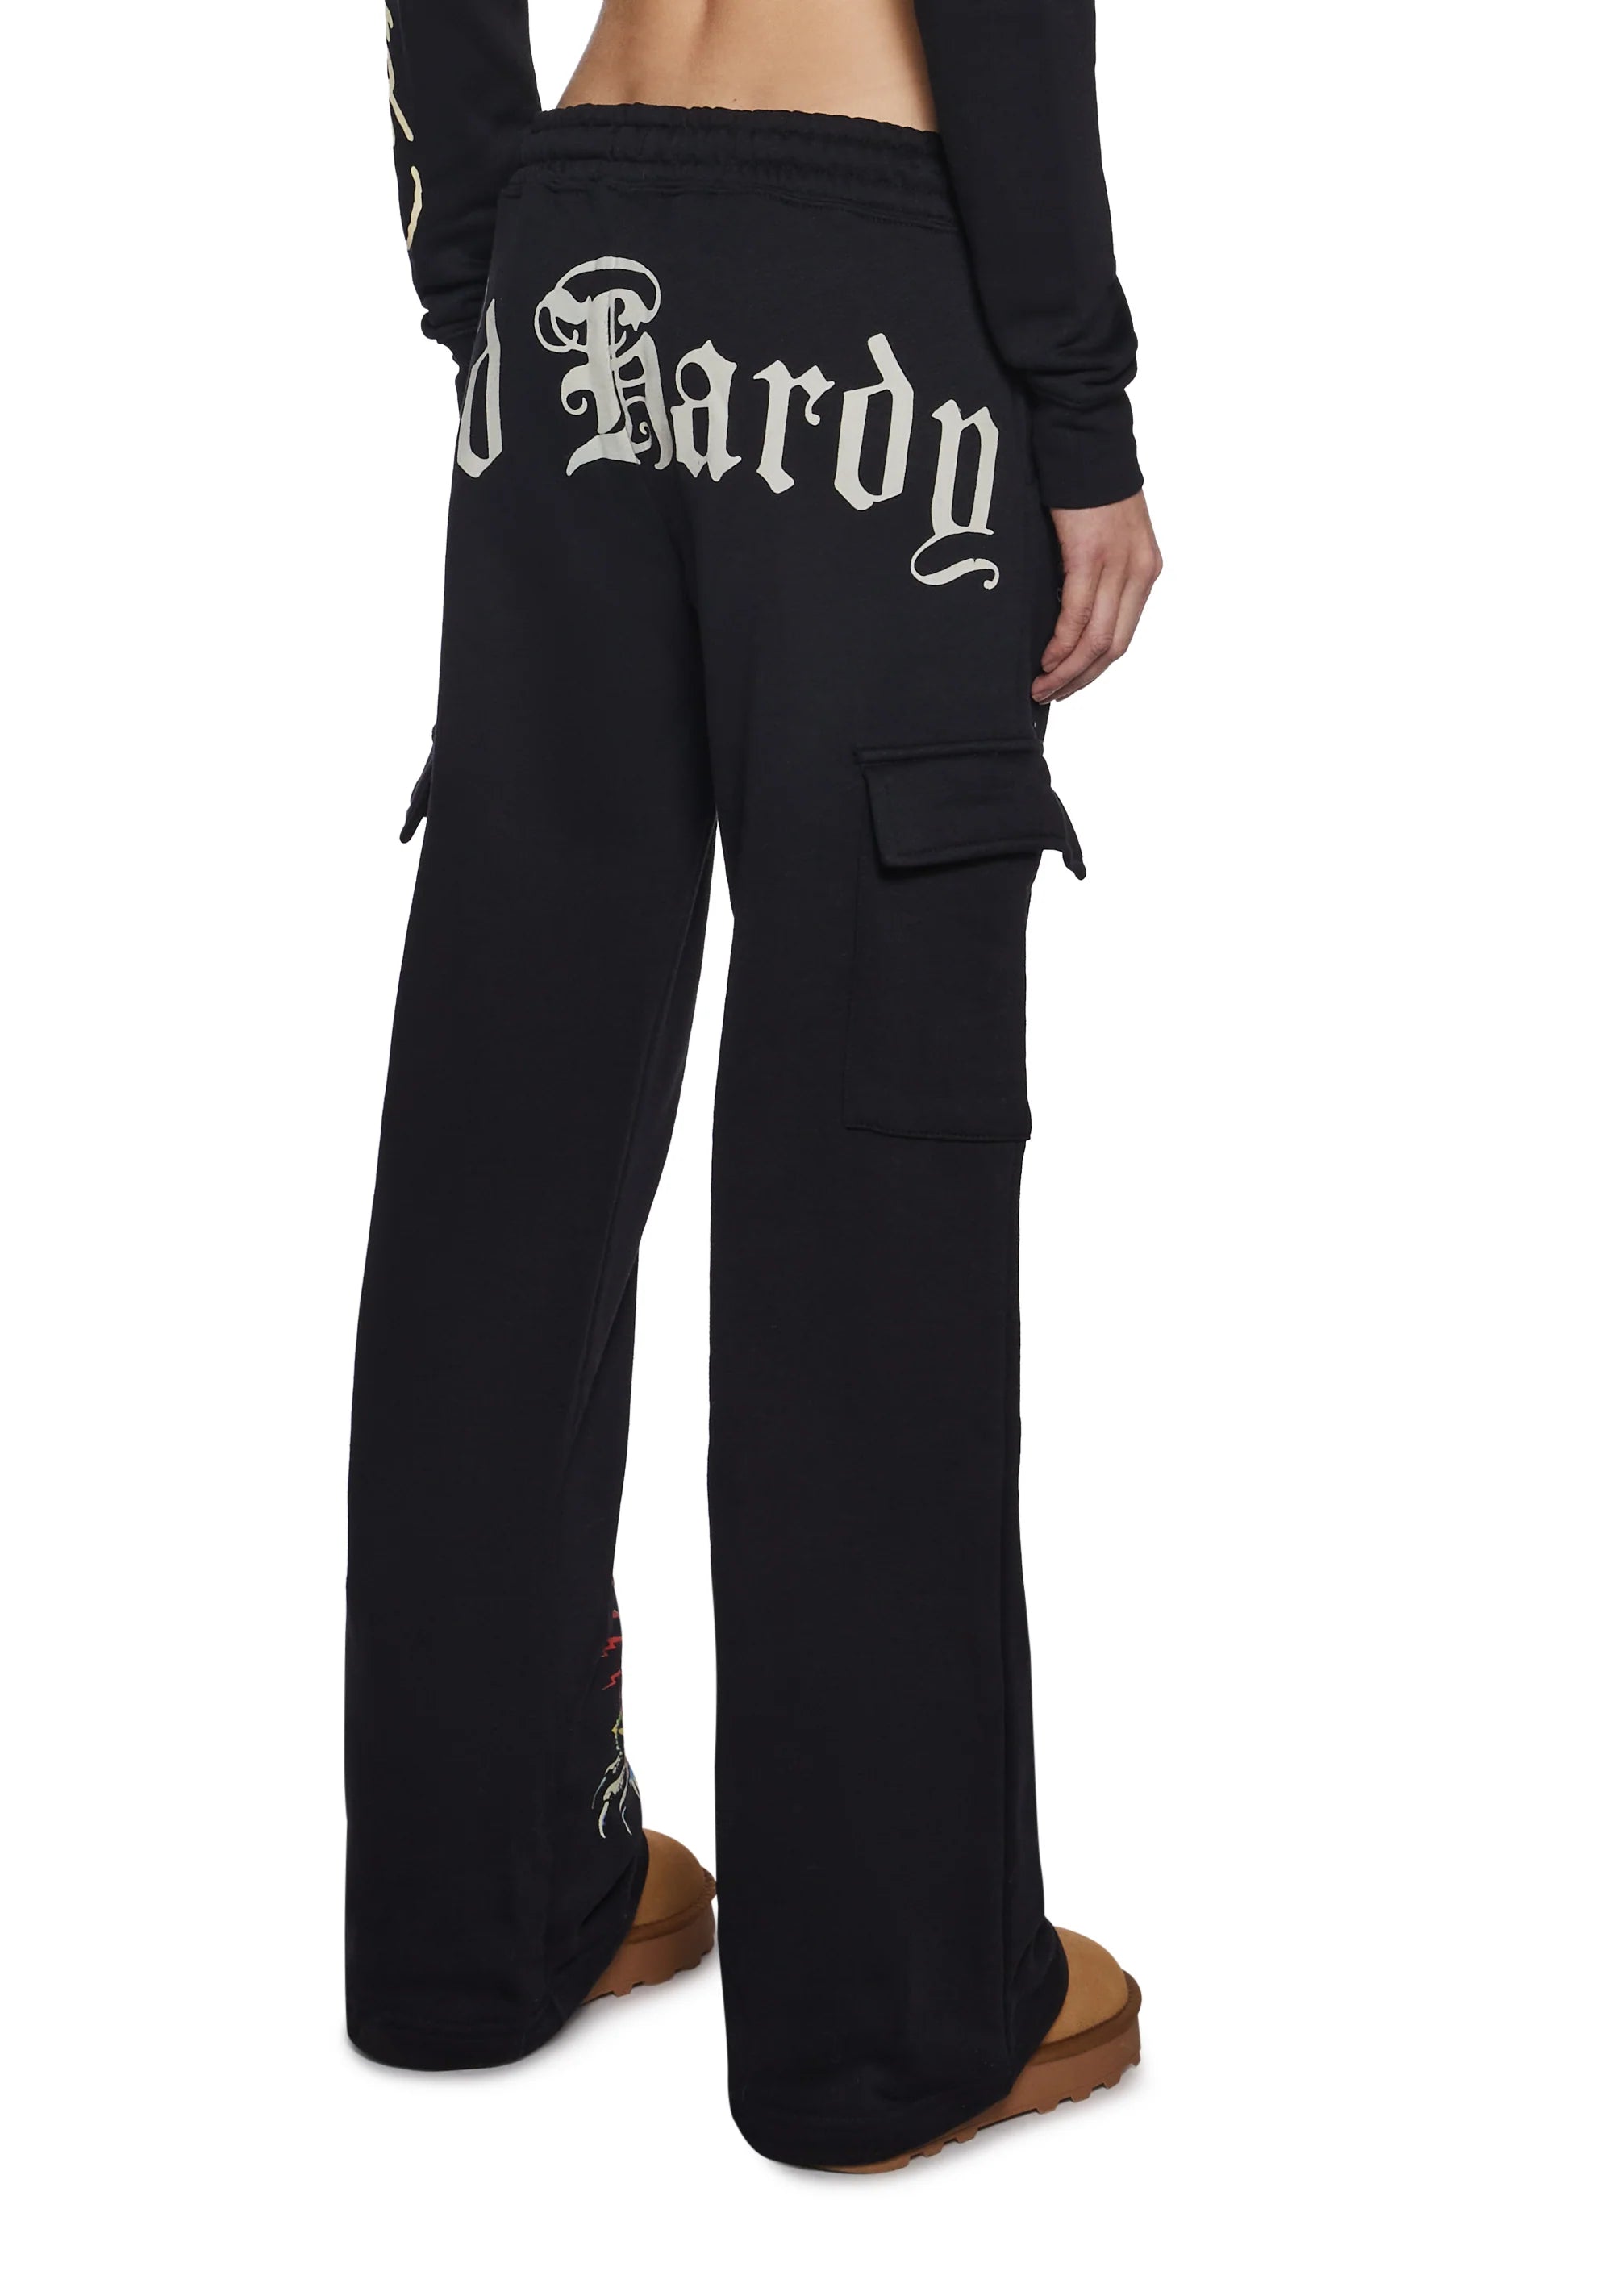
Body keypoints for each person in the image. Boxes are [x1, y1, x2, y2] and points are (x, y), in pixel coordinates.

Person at [349, 0, 1161, 2173]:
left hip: (578, 253)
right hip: (866, 294)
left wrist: (485, 268)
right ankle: (892, 2017)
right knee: (865, 1158)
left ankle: (471, 1920)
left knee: (505, 1143)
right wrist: (1079, 412)